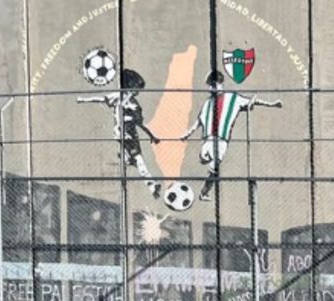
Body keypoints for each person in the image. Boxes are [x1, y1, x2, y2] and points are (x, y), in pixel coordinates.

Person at [176, 70, 283, 202]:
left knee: (214, 166)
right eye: (209, 85)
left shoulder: (233, 98)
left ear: (221, 84)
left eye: (213, 85)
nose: (211, 88)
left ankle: (204, 192)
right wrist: (187, 134)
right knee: (204, 157)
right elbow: (198, 121)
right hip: (207, 138)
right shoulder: (207, 103)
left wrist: (271, 104)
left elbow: (252, 102)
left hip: (222, 140)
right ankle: (205, 161)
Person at [76, 68, 162, 198]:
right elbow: (101, 99)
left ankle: (128, 159)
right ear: (130, 86)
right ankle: (150, 184)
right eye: (136, 88)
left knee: (137, 159)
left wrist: (151, 136)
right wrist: (83, 99)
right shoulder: (120, 97)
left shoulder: (135, 105)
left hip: (129, 133)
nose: (138, 92)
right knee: (139, 159)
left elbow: (140, 123)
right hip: (124, 132)